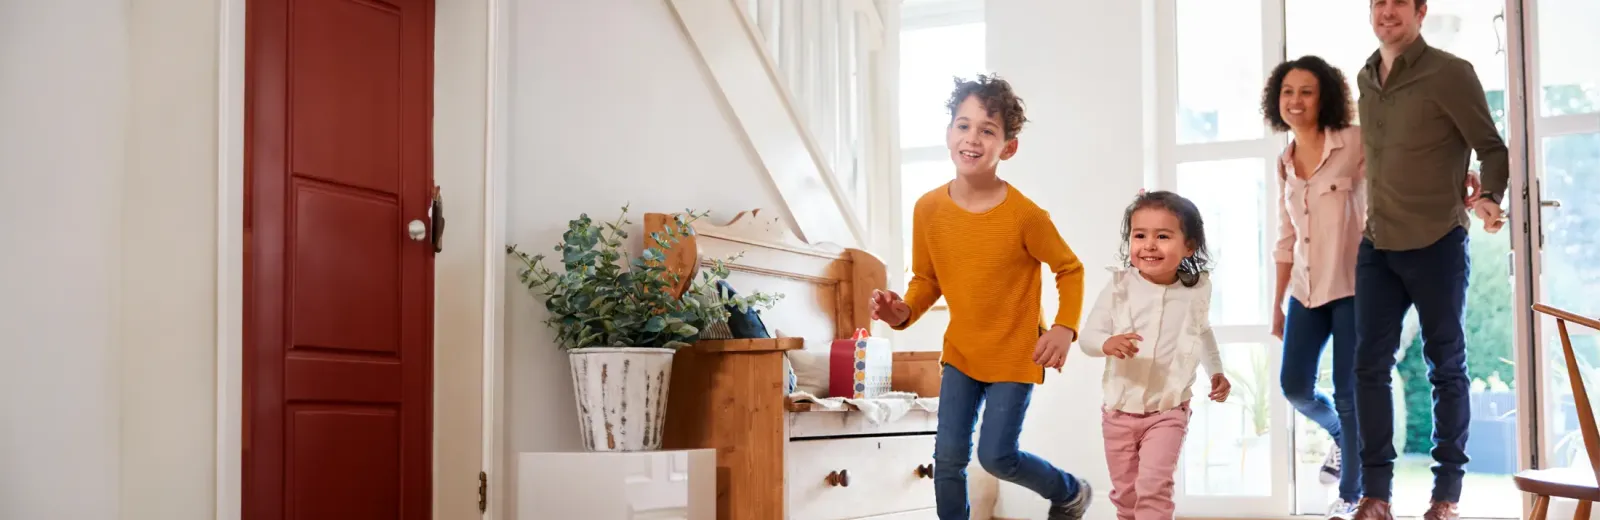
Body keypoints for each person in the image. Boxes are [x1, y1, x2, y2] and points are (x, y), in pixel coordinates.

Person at [869, 74, 1093, 520]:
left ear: (1007, 147)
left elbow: (1070, 269)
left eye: (987, 130)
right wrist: (903, 311)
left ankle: (1070, 492)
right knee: (947, 460)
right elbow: (926, 279)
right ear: (949, 133)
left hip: (1014, 352)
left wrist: (1065, 327)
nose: (972, 138)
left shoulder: (1026, 216)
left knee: (996, 457)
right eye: (963, 125)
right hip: (961, 354)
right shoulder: (928, 209)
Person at [1347, 1, 1510, 519]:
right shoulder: (1366, 77)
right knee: (1367, 366)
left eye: (1399, 2)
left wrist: (1489, 196)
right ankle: (1376, 497)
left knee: (1446, 365)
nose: (1386, 11)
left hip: (1437, 240)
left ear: (1420, 11)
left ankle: (1446, 497)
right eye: (1378, 2)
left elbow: (1491, 148)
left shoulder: (1450, 72)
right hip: (1378, 242)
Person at [1078, 190, 1231, 520]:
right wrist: (1107, 343)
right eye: (1140, 235)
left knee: (1154, 487)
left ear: (1188, 246)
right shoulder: (1120, 287)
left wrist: (1215, 369)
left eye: (1163, 236)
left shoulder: (1196, 290)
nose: (1149, 245)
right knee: (1127, 494)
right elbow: (1088, 337)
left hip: (1168, 409)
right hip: (1119, 411)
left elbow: (1201, 330)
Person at [1261, 55, 1365, 518]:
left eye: (1306, 91)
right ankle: (1342, 438)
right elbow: (1285, 238)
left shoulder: (1356, 142)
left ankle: (1351, 494)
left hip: (1352, 286)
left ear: (1325, 97)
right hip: (1305, 290)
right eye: (1287, 91)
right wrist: (1278, 304)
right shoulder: (1284, 162)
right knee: (1295, 386)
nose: (1295, 100)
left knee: (1349, 390)